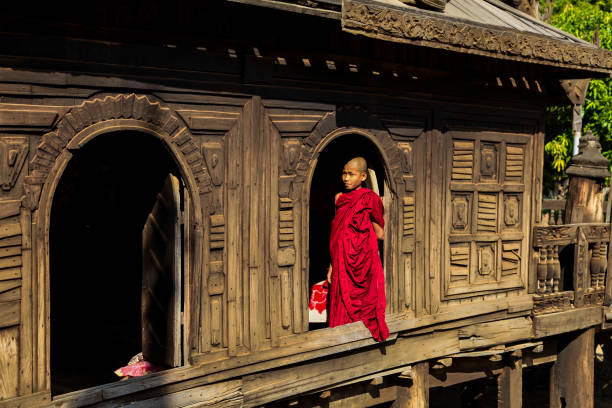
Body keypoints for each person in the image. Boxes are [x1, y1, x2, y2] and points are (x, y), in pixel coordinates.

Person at [327, 157, 389, 341]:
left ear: (363, 176)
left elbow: (379, 234)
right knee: (341, 304)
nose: (345, 178)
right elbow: (335, 235)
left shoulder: (370, 199)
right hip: (340, 260)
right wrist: (331, 266)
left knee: (363, 303)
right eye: (344, 173)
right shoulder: (339, 199)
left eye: (351, 174)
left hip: (362, 260)